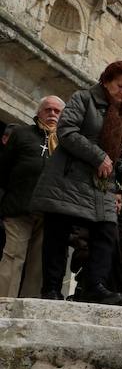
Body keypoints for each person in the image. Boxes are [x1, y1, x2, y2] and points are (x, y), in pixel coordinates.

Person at [31, 62, 122, 303]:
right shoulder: (83, 98)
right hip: (68, 178)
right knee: (58, 233)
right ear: (106, 80)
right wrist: (98, 156)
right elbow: (67, 130)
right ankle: (51, 289)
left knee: (106, 232)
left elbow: (118, 156)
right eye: (120, 86)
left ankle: (95, 286)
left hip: (100, 185)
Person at [0, 96, 65, 297]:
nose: (52, 113)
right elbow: (3, 170)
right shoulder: (21, 134)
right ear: (39, 113)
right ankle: (3, 306)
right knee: (13, 257)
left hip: (49, 213)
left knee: (38, 266)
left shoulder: (67, 143)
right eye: (48, 109)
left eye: (57, 111)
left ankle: (26, 309)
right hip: (19, 207)